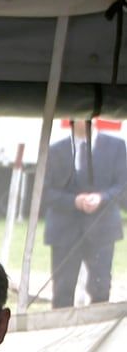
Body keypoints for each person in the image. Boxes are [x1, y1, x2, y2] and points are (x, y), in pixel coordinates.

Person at [42, 120, 127, 308]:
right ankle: (61, 331)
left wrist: (102, 198)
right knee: (62, 290)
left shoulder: (116, 146)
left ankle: (97, 333)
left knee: (101, 288)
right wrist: (74, 201)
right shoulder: (55, 150)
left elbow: (123, 186)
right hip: (64, 231)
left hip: (102, 229)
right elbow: (44, 192)